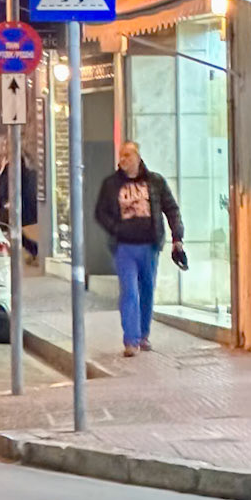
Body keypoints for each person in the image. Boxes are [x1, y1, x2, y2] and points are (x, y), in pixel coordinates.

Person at [93, 141, 187, 356]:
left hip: (150, 245)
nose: (123, 159)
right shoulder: (111, 184)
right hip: (124, 247)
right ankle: (131, 340)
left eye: (127, 155)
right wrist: (116, 229)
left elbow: (171, 209)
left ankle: (143, 334)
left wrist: (177, 237)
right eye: (121, 155)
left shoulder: (155, 182)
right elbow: (101, 212)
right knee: (129, 291)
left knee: (146, 290)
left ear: (137, 157)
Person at [0, 141, 39, 262]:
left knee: (13, 230)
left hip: (13, 205)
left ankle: (33, 250)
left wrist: (9, 200)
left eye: (6, 146)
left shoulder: (16, 165)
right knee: (12, 231)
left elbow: (15, 183)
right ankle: (32, 251)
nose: (4, 148)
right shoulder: (6, 164)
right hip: (7, 204)